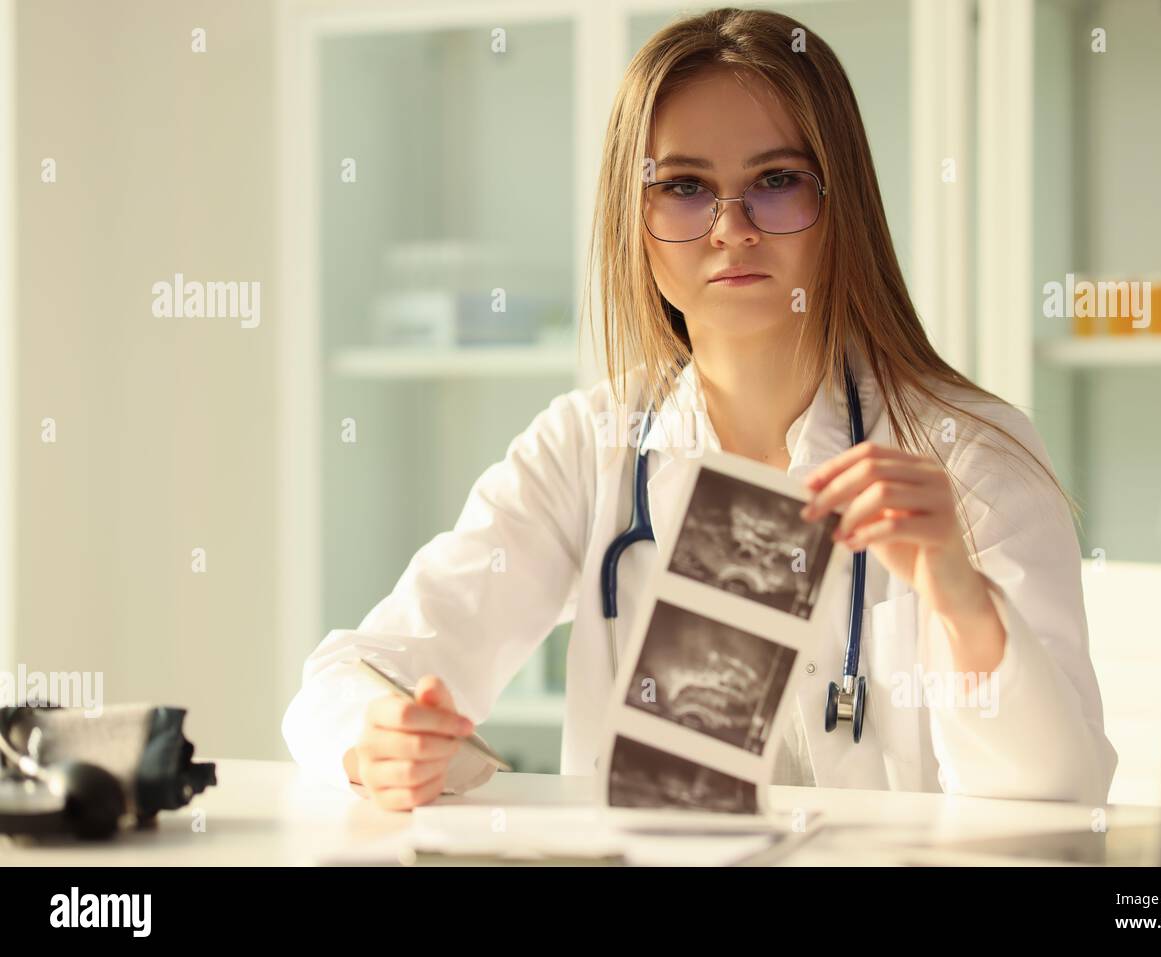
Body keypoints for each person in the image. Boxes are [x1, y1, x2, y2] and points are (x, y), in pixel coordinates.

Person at [282, 6, 1117, 811]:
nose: (732, 226)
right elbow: (348, 675)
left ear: (844, 206)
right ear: (633, 221)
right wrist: (377, 736)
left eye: (777, 181)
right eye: (684, 186)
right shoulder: (587, 447)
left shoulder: (969, 453)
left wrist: (959, 594)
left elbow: (1061, 798)